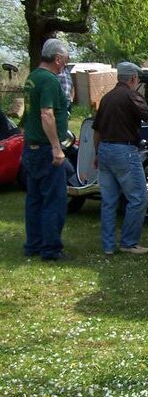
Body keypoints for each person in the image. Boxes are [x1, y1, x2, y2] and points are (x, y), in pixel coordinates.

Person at [92, 62, 148, 256]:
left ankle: (107, 246)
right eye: (137, 79)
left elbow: (96, 130)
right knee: (139, 198)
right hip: (124, 151)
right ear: (132, 78)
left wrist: (97, 154)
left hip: (105, 150)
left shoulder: (106, 98)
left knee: (109, 201)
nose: (137, 82)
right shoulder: (131, 96)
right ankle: (129, 243)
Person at [21, 38, 71, 261]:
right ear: (58, 59)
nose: (66, 63)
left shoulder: (32, 77)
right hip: (45, 149)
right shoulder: (50, 80)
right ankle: (50, 250)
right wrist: (56, 148)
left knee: (34, 199)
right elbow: (46, 114)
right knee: (54, 200)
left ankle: (33, 244)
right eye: (66, 59)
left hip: (30, 148)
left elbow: (28, 116)